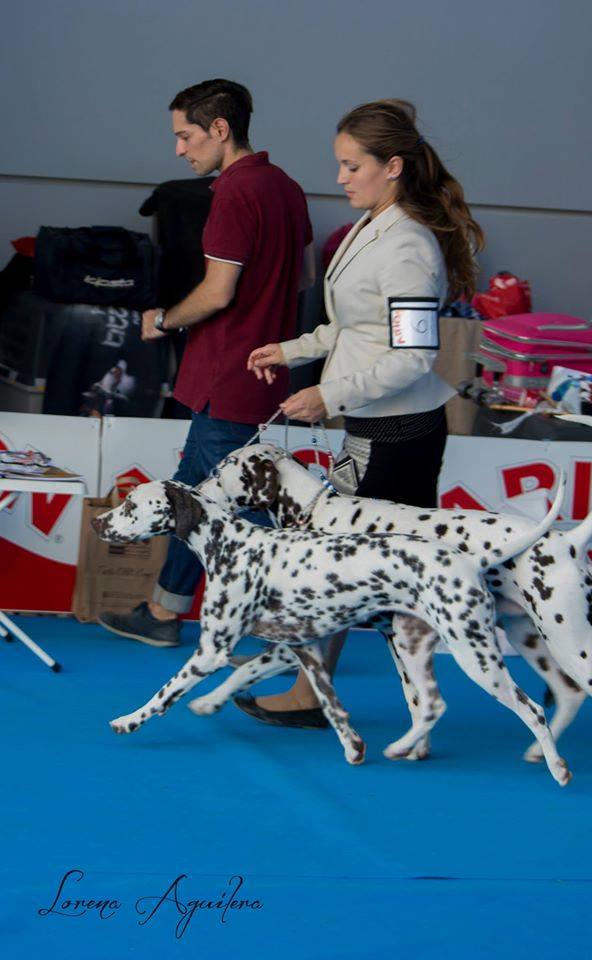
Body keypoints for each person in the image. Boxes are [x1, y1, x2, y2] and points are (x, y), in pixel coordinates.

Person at [234, 98, 484, 727]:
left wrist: (328, 395)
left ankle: (312, 693)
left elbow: (414, 357)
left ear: (392, 166)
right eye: (340, 164)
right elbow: (352, 327)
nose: (340, 177)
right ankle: (315, 688)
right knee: (351, 567)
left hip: (397, 433)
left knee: (339, 565)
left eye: (352, 166)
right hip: (382, 429)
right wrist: (291, 351)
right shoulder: (377, 227)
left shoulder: (407, 246)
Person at [98, 78, 314, 647]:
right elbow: (305, 278)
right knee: (191, 496)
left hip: (228, 378)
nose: (179, 149)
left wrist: (164, 319)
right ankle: (164, 611)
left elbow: (217, 293)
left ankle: (286, 634)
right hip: (257, 373)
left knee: (252, 516)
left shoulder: (235, 193)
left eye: (185, 135)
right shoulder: (287, 188)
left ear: (220, 129)